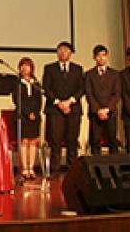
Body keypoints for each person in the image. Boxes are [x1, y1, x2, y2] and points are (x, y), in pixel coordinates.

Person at [42, 41, 84, 173]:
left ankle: (72, 169)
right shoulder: (49, 68)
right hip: (55, 110)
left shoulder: (78, 69)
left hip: (73, 109)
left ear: (71, 53)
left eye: (66, 51)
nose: (63, 53)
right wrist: (58, 102)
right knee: (56, 140)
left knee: (72, 139)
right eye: (60, 50)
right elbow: (46, 88)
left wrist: (69, 102)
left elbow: (82, 88)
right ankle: (54, 169)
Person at [85, 45, 121, 155]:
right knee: (95, 141)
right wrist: (98, 110)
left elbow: (117, 94)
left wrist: (107, 109)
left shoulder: (115, 74)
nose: (101, 58)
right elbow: (89, 94)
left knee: (112, 140)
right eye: (98, 56)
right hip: (95, 113)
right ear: (94, 57)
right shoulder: (89, 74)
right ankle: (96, 168)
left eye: (104, 55)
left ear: (107, 57)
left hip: (110, 112)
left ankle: (113, 167)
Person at [12, 57, 43, 179]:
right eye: (22, 66)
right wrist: (27, 113)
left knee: (33, 141)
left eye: (27, 66)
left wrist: (34, 112)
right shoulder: (17, 84)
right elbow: (17, 101)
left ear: (32, 68)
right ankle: (24, 168)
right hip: (22, 116)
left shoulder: (36, 84)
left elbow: (39, 101)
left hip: (35, 117)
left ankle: (31, 168)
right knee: (24, 141)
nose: (25, 68)